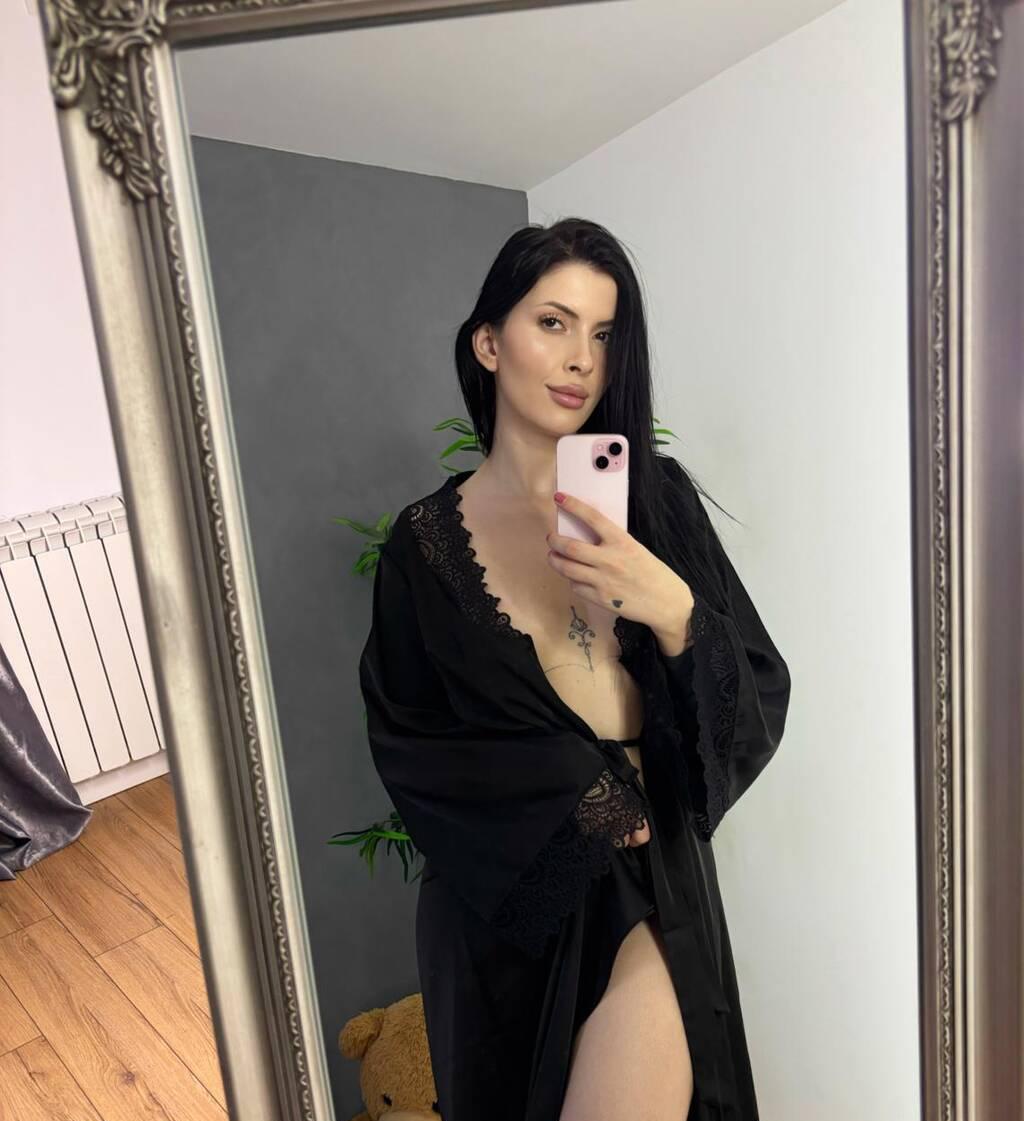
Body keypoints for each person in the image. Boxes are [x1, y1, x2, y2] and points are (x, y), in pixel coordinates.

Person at [358, 217, 791, 1121]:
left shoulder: (659, 504)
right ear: (489, 343)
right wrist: (583, 799)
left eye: (603, 333)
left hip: (652, 877)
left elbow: (755, 693)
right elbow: (415, 741)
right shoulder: (423, 544)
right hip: (507, 899)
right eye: (553, 323)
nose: (581, 359)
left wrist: (672, 609)